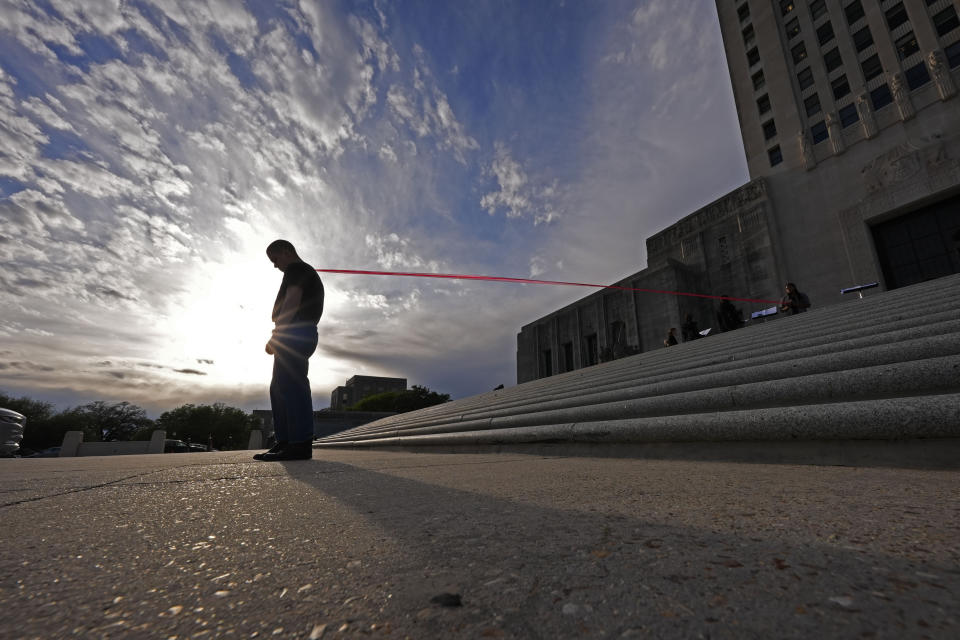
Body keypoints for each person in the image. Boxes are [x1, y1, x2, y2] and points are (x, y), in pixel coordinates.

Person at [254, 240, 324, 461]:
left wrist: (277, 335)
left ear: (286, 252)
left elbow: (292, 300)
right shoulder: (302, 270)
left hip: (296, 332)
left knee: (292, 385)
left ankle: (300, 443)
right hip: (295, 332)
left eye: (275, 259)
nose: (275, 265)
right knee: (279, 387)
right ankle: (285, 441)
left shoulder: (297, 268)